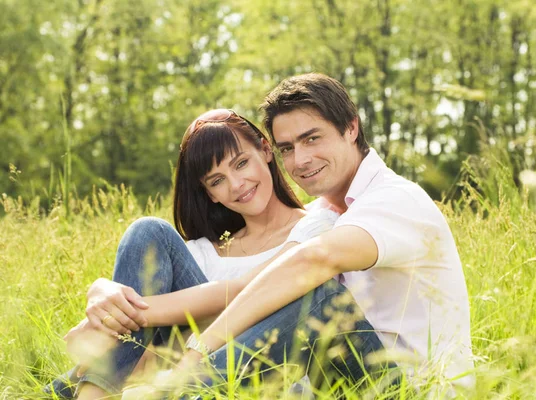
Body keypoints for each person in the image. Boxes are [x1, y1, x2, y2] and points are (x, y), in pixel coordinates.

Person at [169, 73, 474, 394]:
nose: (300, 160)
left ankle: (178, 393)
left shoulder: (395, 199)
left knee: (319, 299)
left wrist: (198, 351)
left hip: (414, 392)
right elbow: (254, 284)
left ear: (351, 128)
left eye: (312, 138)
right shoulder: (323, 214)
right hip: (342, 386)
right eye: (287, 148)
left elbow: (315, 260)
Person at [46, 109, 342, 399]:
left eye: (240, 164)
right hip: (189, 382)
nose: (236, 185)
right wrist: (101, 291)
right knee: (148, 232)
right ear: (210, 193)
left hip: (262, 374)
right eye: (217, 180)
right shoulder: (199, 252)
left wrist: (112, 320)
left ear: (265, 150)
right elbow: (150, 356)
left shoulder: (316, 228)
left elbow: (243, 291)